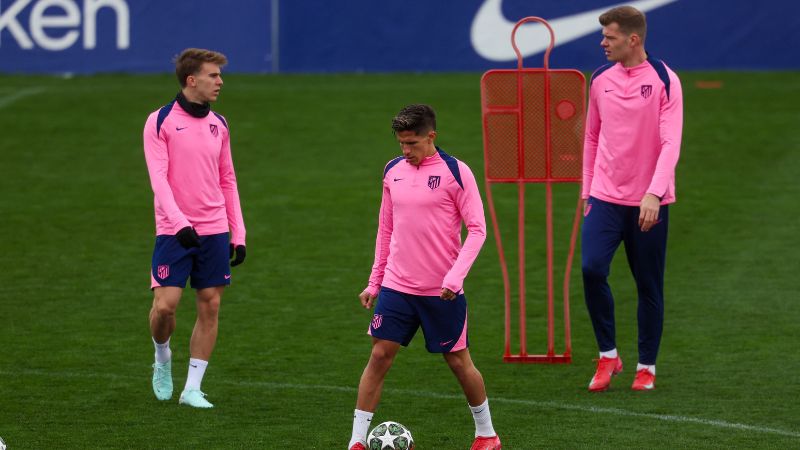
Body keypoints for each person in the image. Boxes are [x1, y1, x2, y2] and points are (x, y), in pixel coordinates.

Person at [347, 105, 501, 450]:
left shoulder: (456, 172)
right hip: (397, 286)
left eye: (412, 143)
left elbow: (477, 229)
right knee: (379, 356)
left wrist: (455, 277)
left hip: (441, 291)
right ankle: (356, 441)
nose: (405, 150)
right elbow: (386, 229)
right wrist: (375, 281)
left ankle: (487, 434)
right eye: (401, 143)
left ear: (431, 136)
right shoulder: (392, 171)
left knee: (458, 361)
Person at [581, 6, 683, 392]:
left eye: (609, 37)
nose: (602, 43)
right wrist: (588, 190)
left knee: (648, 286)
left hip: (649, 201)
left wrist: (654, 193)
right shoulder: (600, 79)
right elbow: (591, 136)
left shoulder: (664, 80)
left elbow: (671, 142)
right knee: (592, 270)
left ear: (632, 39)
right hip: (604, 198)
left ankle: (646, 367)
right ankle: (608, 356)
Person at [143, 48, 247, 408]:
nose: (220, 81)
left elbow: (228, 178)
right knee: (166, 306)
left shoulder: (220, 123)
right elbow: (158, 180)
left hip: (214, 227)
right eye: (213, 75)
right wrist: (179, 223)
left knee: (210, 304)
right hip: (174, 229)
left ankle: (192, 388)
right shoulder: (160, 121)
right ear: (192, 80)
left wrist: (239, 232)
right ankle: (162, 356)